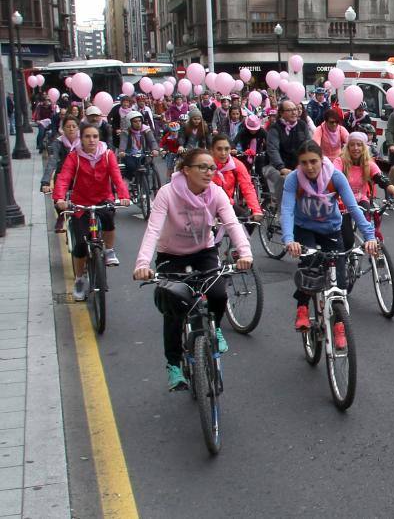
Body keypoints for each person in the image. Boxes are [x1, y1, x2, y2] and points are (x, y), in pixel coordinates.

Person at [132, 149, 253, 390]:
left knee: (218, 293)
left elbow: (232, 223)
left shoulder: (216, 193)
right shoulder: (167, 193)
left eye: (211, 168)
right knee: (174, 305)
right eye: (202, 167)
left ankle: (215, 328)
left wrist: (246, 253)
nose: (209, 172)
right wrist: (142, 264)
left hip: (203, 252)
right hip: (171, 255)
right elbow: (153, 230)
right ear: (186, 170)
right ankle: (174, 365)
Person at [280, 140, 377, 347]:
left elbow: (353, 208)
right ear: (299, 164)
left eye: (313, 161)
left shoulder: (335, 177)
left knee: (340, 282)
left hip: (332, 229)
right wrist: (289, 240)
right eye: (304, 163)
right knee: (311, 268)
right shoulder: (293, 180)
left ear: (321, 160)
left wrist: (369, 236)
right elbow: (287, 210)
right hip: (304, 229)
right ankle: (303, 308)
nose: (309, 167)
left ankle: (339, 326)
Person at [52, 124, 131, 299]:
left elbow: (117, 177)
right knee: (80, 244)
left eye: (95, 136)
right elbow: (64, 178)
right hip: (81, 204)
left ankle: (109, 250)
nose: (91, 140)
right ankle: (80, 279)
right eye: (87, 136)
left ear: (99, 138)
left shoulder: (108, 155)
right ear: (82, 138)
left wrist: (124, 196)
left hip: (103, 199)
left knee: (109, 219)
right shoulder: (75, 157)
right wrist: (59, 199)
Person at [333, 131, 394, 247]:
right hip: (342, 202)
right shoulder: (340, 161)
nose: (356, 148)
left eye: (359, 145)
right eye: (352, 145)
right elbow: (333, 178)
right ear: (347, 147)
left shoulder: (368, 164)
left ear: (364, 147)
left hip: (361, 200)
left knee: (370, 229)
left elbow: (383, 180)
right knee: (348, 240)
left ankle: (374, 255)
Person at [265, 99, 312, 210]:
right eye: (290, 110)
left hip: (299, 165)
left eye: (295, 109)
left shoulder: (302, 125)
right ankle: (283, 213)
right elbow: (273, 150)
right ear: (281, 113)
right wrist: (281, 167)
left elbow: (309, 145)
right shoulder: (275, 129)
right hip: (277, 167)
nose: (294, 112)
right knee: (283, 179)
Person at [210, 134, 263, 230]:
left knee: (251, 222)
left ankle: (239, 244)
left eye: (226, 149)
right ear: (212, 150)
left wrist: (256, 210)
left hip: (227, 203)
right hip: (207, 204)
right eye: (219, 149)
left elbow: (247, 187)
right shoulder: (206, 164)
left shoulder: (236, 164)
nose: (223, 153)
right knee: (212, 236)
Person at [118, 110, 158, 183]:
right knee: (131, 166)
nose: (138, 123)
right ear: (130, 123)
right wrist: (121, 151)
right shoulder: (125, 132)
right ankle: (129, 181)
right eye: (135, 121)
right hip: (130, 155)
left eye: (139, 121)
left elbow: (152, 141)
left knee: (147, 165)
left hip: (144, 154)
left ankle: (143, 184)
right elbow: (123, 143)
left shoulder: (146, 130)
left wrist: (155, 149)